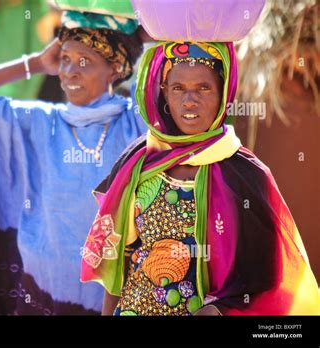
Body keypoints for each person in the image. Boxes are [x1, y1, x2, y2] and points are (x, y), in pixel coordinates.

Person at [81, 41, 320, 315]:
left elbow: (266, 274)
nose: (189, 100)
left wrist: (219, 310)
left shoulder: (246, 175)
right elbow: (116, 265)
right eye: (178, 88)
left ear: (223, 94)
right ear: (164, 95)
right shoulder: (138, 162)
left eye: (203, 88)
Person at [0, 11, 147, 315]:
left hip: (113, 297)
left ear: (114, 68)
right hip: (43, 292)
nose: (69, 71)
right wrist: (33, 63)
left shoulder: (135, 124)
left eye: (83, 61)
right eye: (65, 59)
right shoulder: (39, 123)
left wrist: (139, 38)